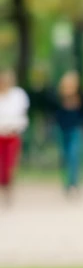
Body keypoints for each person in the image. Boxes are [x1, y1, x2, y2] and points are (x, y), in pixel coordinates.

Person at [53, 69, 83, 193]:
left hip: (76, 129)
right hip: (62, 129)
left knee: (75, 155)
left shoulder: (81, 97)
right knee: (64, 157)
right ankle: (66, 182)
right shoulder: (58, 97)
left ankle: (74, 182)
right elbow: (55, 114)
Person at [0, 68, 29, 202]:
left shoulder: (18, 95)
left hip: (12, 134)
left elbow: (22, 114)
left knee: (10, 163)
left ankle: (9, 188)